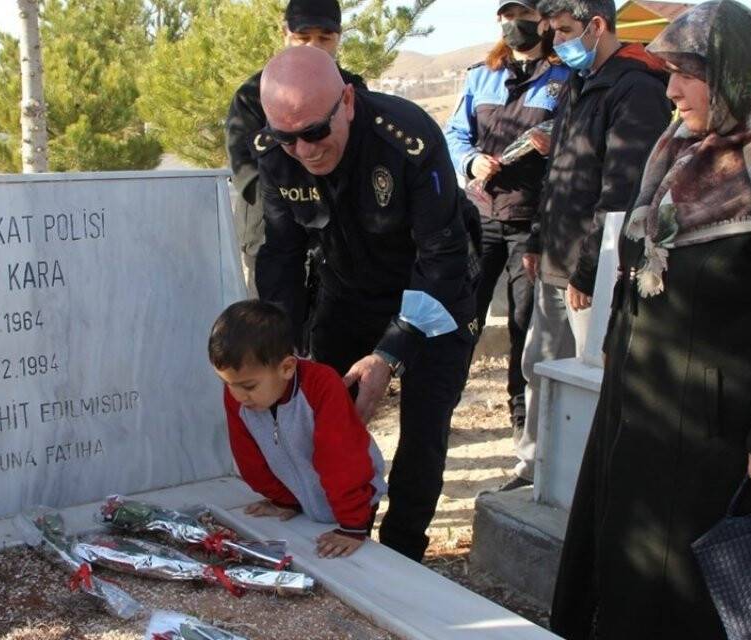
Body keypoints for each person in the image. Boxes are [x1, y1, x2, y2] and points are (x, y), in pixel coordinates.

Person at [549, 2, 751, 637]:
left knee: (690, 597)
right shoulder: (682, 152)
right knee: (628, 575)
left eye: (690, 73)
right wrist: (616, 345)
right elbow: (640, 266)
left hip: (722, 435)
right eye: (670, 72)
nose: (671, 89)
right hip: (645, 409)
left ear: (739, 75)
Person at [253, 46, 480, 562]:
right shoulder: (275, 155)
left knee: (422, 432)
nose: (304, 150)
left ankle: (402, 557)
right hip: (349, 290)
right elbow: (282, 254)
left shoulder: (408, 138)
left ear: (348, 102)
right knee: (325, 418)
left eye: (314, 132)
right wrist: (280, 344)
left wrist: (390, 354)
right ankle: (339, 526)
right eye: (287, 137)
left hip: (435, 294)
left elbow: (441, 258)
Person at [514, 0, 672, 486]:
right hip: (555, 261)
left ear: (597, 26)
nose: (557, 43)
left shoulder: (636, 90)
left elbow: (621, 192)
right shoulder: (579, 85)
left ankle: (579, 481)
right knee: (538, 368)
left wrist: (588, 272)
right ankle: (533, 468)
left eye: (564, 31)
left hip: (590, 271)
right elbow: (559, 171)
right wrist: (539, 237)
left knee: (588, 379)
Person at [443, 0, 569, 492]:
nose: (510, 24)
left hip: (532, 223)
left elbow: (577, 137)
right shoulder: (482, 75)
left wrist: (553, 141)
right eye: (504, 15)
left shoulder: (564, 77)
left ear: (543, 20)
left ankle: (523, 427)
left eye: (521, 14)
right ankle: (442, 408)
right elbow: (455, 134)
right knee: (461, 318)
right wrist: (471, 162)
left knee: (524, 325)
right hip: (480, 218)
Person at [209, 300, 387, 559]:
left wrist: (352, 526)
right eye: (228, 384)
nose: (237, 396)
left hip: (354, 501)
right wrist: (283, 499)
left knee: (354, 562)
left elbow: (342, 458)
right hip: (301, 499)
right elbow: (248, 457)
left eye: (248, 386)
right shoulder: (237, 391)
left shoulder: (322, 386)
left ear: (287, 368)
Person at [225, 0, 365, 298]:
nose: (313, 47)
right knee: (272, 333)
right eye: (303, 38)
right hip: (270, 234)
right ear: (284, 34)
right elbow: (247, 173)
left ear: (339, 38)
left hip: (339, 238)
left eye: (325, 38)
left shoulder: (352, 90)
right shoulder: (252, 96)